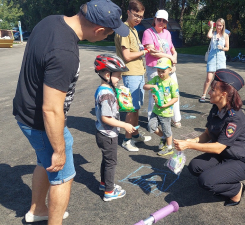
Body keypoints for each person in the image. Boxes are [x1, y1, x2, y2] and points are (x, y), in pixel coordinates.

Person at [12, 0, 128, 223]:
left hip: (25, 111)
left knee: (43, 161)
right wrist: (59, 149)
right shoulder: (65, 52)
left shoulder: (51, 21)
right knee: (63, 175)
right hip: (41, 122)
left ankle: (37, 210)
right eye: (109, 34)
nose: (108, 37)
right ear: (99, 29)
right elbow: (51, 109)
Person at [174, 69, 245, 207]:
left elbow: (218, 147)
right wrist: (191, 141)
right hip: (225, 155)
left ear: (223, 94)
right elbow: (207, 134)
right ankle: (220, 176)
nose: (209, 92)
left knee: (205, 181)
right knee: (195, 166)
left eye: (213, 90)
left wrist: (188, 146)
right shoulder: (216, 108)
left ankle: (236, 190)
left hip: (241, 161)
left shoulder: (234, 118)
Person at [114, 0, 151, 151]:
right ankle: (127, 140)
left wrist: (143, 48)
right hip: (131, 73)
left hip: (138, 72)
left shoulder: (133, 29)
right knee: (131, 108)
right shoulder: (124, 30)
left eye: (141, 16)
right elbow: (127, 56)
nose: (138, 19)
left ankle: (135, 134)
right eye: (136, 15)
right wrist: (145, 51)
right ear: (128, 12)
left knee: (136, 108)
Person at [94, 54, 131, 201]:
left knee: (106, 160)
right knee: (111, 162)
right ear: (107, 75)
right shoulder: (107, 94)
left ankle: (104, 184)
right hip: (108, 134)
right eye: (119, 75)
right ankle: (109, 192)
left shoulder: (103, 89)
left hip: (102, 132)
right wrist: (125, 125)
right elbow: (106, 118)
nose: (120, 78)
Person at [142, 9, 182, 128]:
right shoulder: (148, 32)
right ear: (154, 19)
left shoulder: (167, 33)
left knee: (173, 92)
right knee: (155, 93)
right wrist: (169, 56)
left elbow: (172, 49)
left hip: (168, 68)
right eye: (159, 19)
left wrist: (174, 56)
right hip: (155, 68)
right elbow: (152, 52)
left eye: (164, 20)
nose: (161, 22)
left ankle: (175, 119)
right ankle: (152, 120)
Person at [144, 58, 179, 156]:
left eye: (163, 71)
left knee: (167, 130)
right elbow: (145, 86)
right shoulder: (156, 79)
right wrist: (152, 86)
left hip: (166, 111)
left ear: (170, 69)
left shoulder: (172, 83)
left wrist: (165, 105)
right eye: (158, 71)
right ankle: (163, 138)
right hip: (156, 110)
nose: (160, 74)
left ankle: (169, 147)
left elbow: (175, 98)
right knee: (151, 126)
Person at [199, 18, 230, 103]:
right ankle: (204, 94)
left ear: (223, 26)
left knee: (220, 80)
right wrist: (212, 26)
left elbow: (227, 48)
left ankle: (218, 95)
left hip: (221, 59)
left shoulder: (225, 35)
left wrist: (222, 48)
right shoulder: (213, 33)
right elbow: (208, 36)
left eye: (220, 25)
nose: (218, 27)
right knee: (209, 78)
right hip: (212, 58)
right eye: (217, 25)